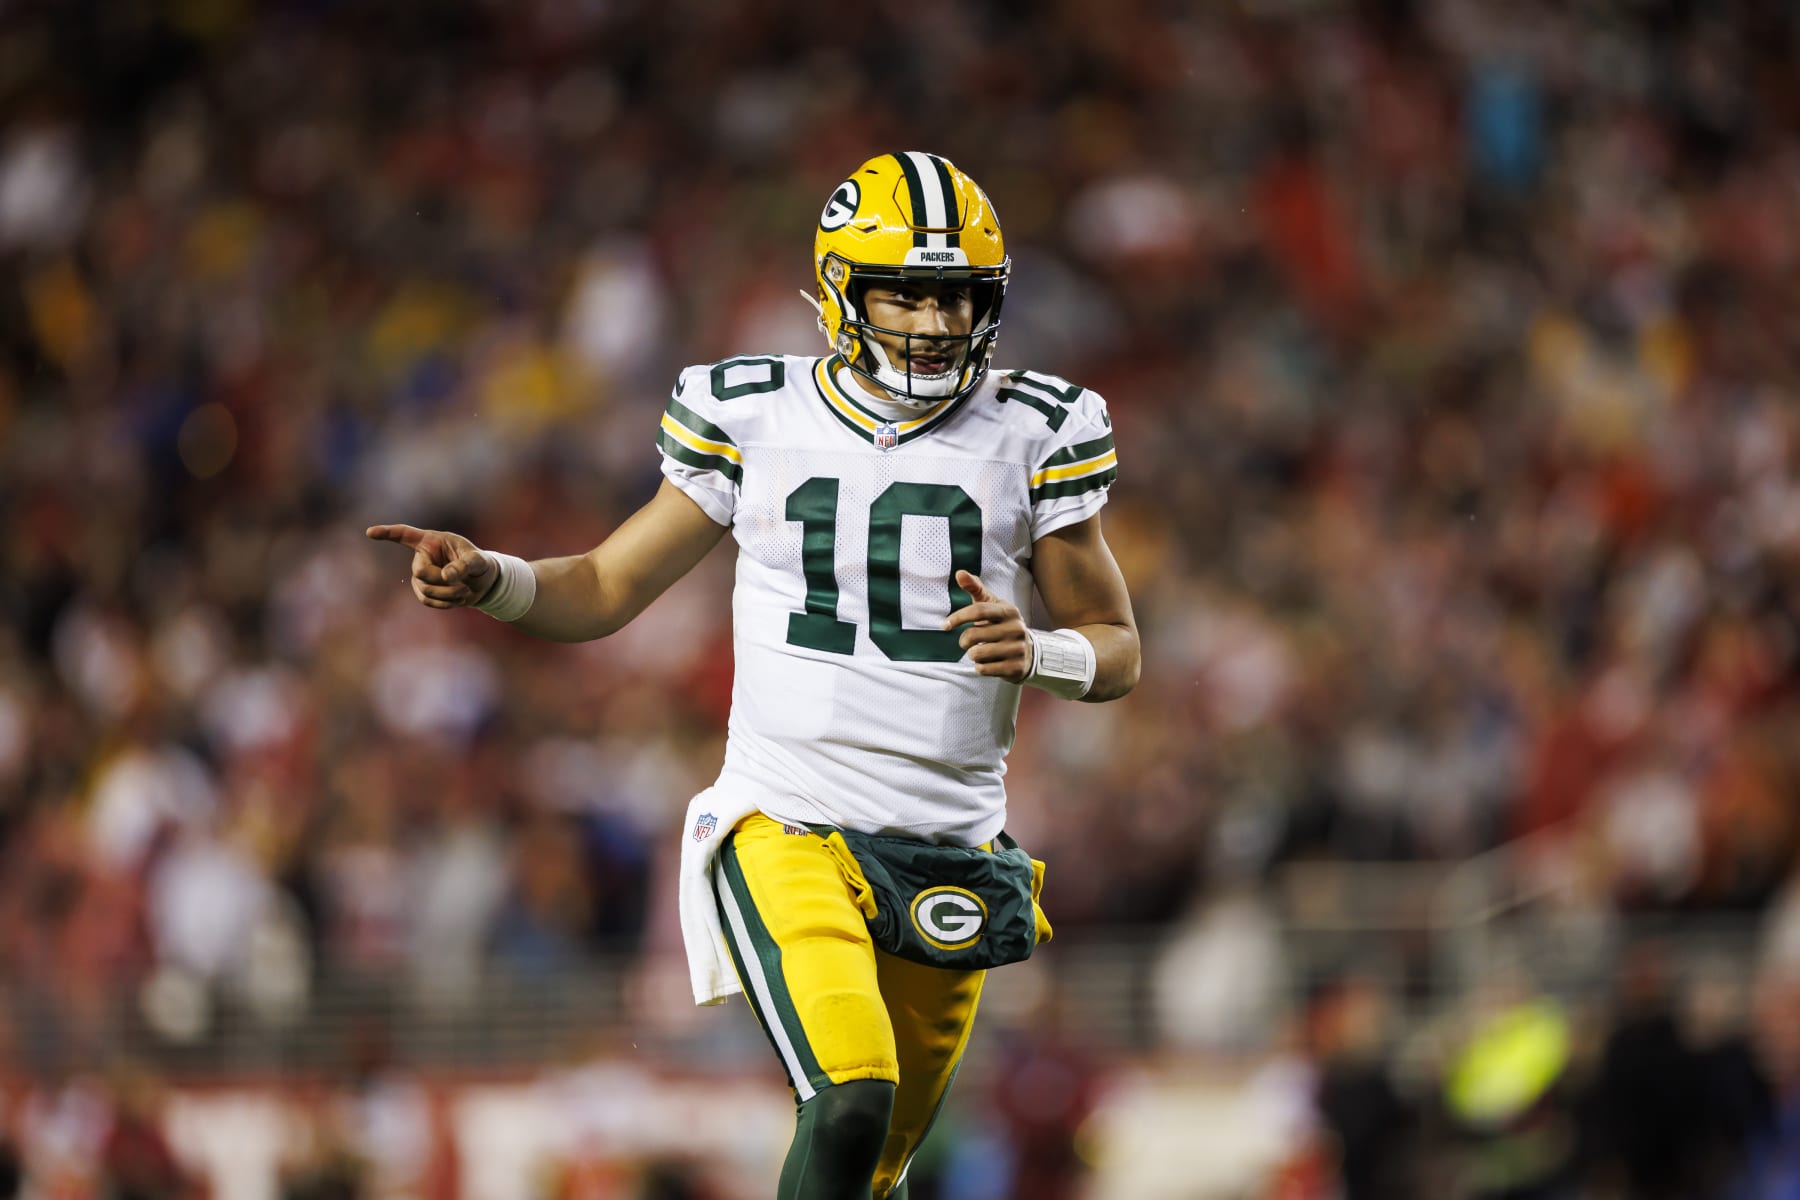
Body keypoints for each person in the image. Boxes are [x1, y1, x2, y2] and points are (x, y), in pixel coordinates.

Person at [368, 151, 1139, 1200]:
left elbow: (1118, 645)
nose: (930, 324)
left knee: (875, 1169)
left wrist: (1041, 651)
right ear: (838, 293)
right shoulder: (758, 414)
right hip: (789, 824)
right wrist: (493, 577)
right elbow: (603, 582)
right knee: (852, 1094)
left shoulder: (1033, 430)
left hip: (949, 843)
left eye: (954, 296)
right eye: (902, 297)